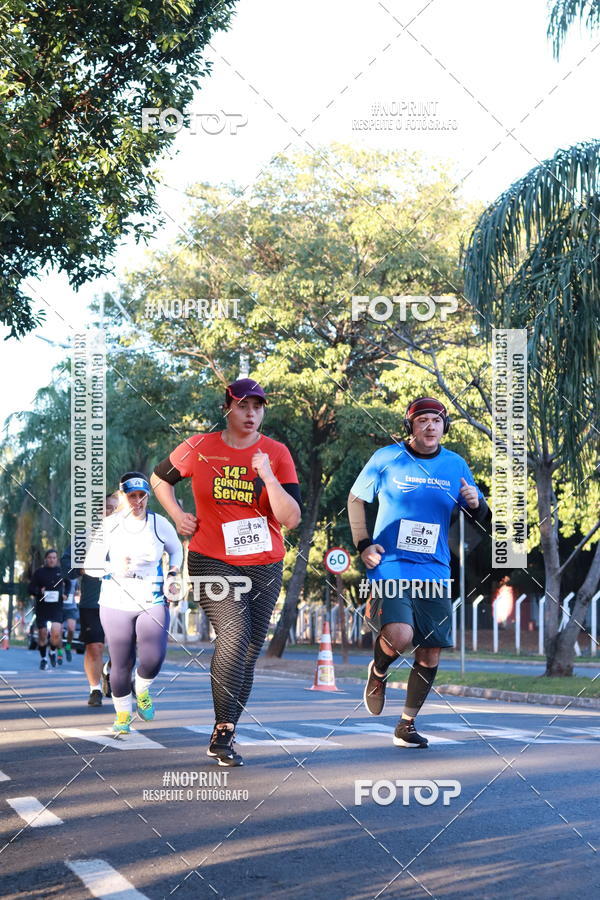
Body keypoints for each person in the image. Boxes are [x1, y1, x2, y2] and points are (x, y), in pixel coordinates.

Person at [151, 378, 301, 767]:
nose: (251, 414)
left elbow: (292, 518)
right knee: (234, 637)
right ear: (227, 409)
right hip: (210, 558)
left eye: (258, 407)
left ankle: (228, 729)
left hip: (264, 563)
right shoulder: (200, 446)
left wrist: (268, 475)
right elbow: (158, 478)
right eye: (243, 406)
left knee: (249, 650)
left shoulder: (277, 453)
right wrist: (177, 515)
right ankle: (220, 732)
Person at [347, 397, 489, 748]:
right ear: (410, 426)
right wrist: (363, 544)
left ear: (444, 427)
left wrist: (476, 504)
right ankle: (378, 671)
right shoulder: (386, 458)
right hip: (391, 565)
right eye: (422, 420)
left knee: (430, 651)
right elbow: (355, 499)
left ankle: (406, 724)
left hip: (435, 570)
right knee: (400, 635)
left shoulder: (456, 464)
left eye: (436, 421)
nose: (430, 427)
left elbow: (481, 519)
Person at [84, 472, 183, 733]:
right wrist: (113, 565)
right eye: (132, 496)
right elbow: (90, 565)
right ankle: (123, 715)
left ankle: (142, 689)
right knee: (121, 661)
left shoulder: (158, 523)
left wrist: (173, 571)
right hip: (115, 600)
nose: (138, 501)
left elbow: (176, 548)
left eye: (142, 496)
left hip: (151, 598)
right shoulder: (109, 525)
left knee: (154, 656)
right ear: (123, 497)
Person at [62, 493, 119, 706]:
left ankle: (109, 671)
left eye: (113, 508)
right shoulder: (84, 537)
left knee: (120, 649)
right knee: (94, 646)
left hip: (123, 602)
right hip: (92, 602)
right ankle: (95, 689)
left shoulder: (131, 536)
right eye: (105, 508)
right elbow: (66, 566)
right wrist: (86, 567)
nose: (109, 512)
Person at [28, 549, 67, 670]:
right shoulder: (39, 573)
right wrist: (39, 591)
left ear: (57, 559)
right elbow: (30, 589)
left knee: (55, 635)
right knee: (42, 634)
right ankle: (44, 659)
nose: (52, 560)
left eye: (54, 557)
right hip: (42, 608)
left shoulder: (61, 572)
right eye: (49, 557)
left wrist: (65, 594)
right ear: (46, 559)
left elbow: (69, 584)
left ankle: (53, 651)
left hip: (56, 608)